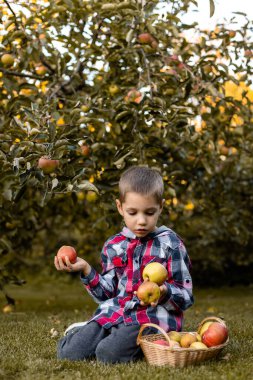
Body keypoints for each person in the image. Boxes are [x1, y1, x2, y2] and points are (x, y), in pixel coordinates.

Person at [54, 166, 194, 363]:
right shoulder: (114, 245)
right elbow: (106, 294)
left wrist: (164, 291)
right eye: (133, 212)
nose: (141, 221)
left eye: (149, 212)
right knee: (68, 353)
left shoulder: (171, 244)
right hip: (116, 312)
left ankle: (113, 341)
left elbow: (186, 296)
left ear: (161, 207)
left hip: (150, 318)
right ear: (120, 207)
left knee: (108, 354)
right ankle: (87, 331)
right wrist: (86, 269)